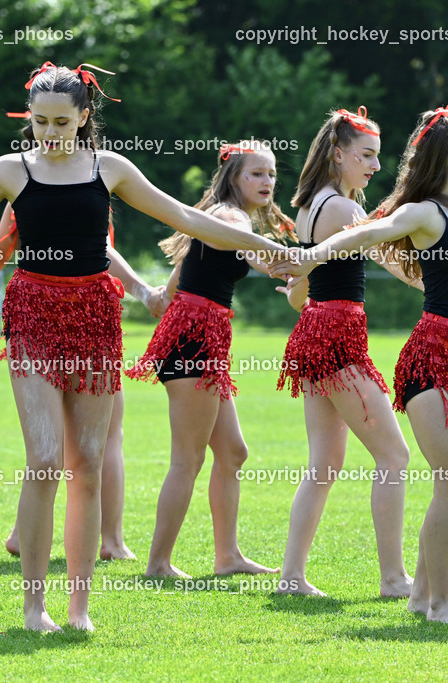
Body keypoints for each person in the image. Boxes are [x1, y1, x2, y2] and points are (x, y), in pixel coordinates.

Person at [0, 62, 291, 632]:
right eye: (39, 121)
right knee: (44, 460)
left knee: (86, 465)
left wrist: (275, 249)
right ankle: (33, 606)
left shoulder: (109, 168)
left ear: (84, 117)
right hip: (33, 315)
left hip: (94, 317)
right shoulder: (8, 173)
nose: (49, 132)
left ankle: (80, 608)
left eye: (61, 121)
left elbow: (187, 217)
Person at [272, 106, 448, 624]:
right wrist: (311, 258)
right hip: (432, 358)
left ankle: (422, 596)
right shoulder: (425, 213)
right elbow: (364, 235)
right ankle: (441, 605)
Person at [0, 203, 167, 561]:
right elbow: (102, 251)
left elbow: (1, 248)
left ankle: (27, 533)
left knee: (49, 445)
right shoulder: (89, 180)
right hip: (74, 319)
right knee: (93, 440)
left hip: (77, 320)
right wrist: (143, 291)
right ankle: (110, 539)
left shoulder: (40, 182)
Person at [126, 141, 290, 579]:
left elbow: (192, 261)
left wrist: (163, 294)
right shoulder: (227, 217)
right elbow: (252, 251)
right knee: (188, 458)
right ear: (235, 177)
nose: (267, 182)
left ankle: (227, 557)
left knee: (233, 452)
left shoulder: (221, 219)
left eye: (271, 174)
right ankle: (158, 564)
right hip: (194, 339)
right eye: (257, 173)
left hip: (201, 335)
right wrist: (288, 261)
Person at [272, 108, 417, 599]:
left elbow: (300, 290)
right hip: (335, 338)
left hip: (317, 330)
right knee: (394, 456)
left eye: (378, 156)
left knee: (324, 463)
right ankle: (394, 579)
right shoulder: (342, 209)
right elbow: (389, 259)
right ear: (338, 153)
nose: (375, 166)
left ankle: (292, 577)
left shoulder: (313, 204)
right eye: (367, 156)